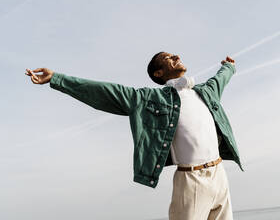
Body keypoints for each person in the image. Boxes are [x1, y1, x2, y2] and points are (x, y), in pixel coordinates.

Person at [25, 52, 243, 220]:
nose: (176, 56)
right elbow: (104, 91)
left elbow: (221, 77)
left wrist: (229, 66)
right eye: (168, 58)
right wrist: (57, 79)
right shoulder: (148, 99)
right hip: (192, 180)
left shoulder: (205, 91)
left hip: (219, 174)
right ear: (158, 73)